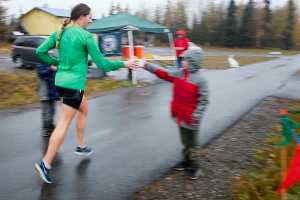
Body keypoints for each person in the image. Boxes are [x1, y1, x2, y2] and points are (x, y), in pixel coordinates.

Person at [34, 3, 136, 184]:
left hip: (61, 83)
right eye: (89, 16)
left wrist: (55, 63)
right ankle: (45, 163)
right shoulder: (86, 36)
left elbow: (40, 52)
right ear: (81, 16)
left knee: (84, 108)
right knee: (64, 124)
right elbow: (103, 64)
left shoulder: (60, 32)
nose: (91, 20)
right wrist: (125, 64)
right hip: (73, 85)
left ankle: (81, 147)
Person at [140, 49, 209, 180]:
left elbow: (204, 100)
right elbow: (164, 73)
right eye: (183, 59)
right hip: (180, 116)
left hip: (192, 119)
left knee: (193, 144)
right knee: (185, 142)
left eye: (186, 60)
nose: (182, 62)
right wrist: (146, 65)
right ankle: (186, 161)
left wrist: (197, 115)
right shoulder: (179, 73)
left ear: (193, 62)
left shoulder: (201, 80)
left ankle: (195, 167)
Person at [36, 63, 59, 137]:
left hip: (52, 93)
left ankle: (51, 126)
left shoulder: (52, 64)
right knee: (46, 113)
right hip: (45, 93)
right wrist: (51, 69)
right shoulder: (40, 64)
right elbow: (42, 74)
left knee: (53, 111)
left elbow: (55, 79)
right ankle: (46, 129)